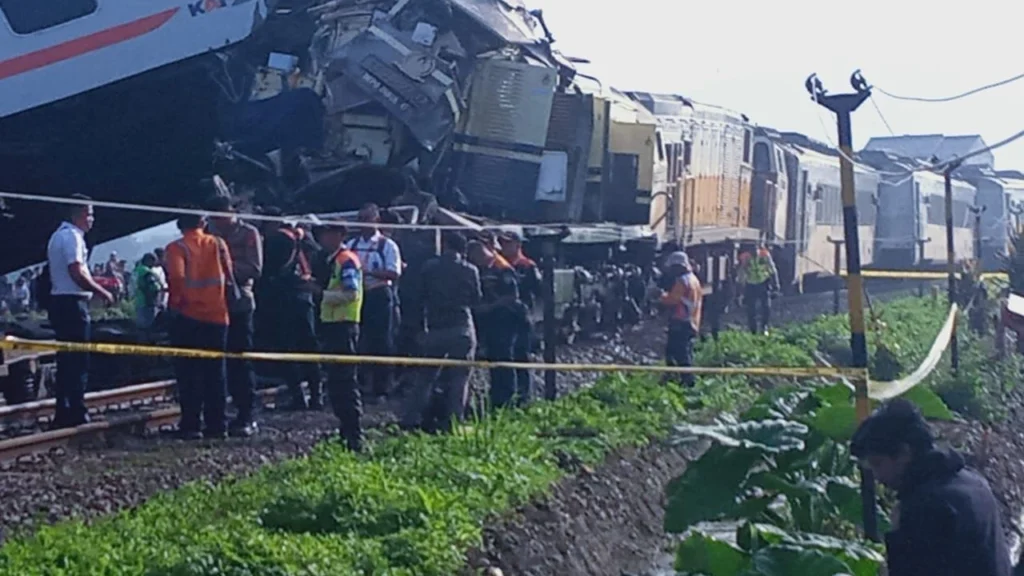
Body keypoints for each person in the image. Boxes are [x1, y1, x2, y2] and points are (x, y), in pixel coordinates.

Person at [851, 399, 1011, 576]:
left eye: (877, 464)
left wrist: (895, 540)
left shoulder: (926, 508)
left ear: (904, 453)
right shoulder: (972, 480)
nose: (876, 476)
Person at [45, 195, 114, 428]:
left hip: (59, 302)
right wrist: (101, 291)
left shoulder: (57, 236)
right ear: (78, 214)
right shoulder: (73, 237)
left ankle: (63, 410)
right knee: (78, 360)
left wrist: (100, 281)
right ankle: (76, 410)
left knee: (66, 360)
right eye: (89, 213)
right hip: (73, 304)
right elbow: (76, 272)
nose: (92, 219)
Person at [402, 231, 481, 432]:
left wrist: (419, 327)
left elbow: (417, 297)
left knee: (426, 376)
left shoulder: (429, 268)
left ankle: (412, 418)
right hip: (462, 326)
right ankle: (454, 422)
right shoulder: (470, 270)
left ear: (445, 246)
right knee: (460, 378)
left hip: (435, 327)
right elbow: (476, 299)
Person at [164, 211, 234, 440]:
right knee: (216, 374)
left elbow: (177, 279)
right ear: (203, 222)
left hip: (189, 318)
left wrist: (176, 307)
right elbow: (229, 276)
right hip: (218, 316)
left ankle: (191, 426)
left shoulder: (176, 248)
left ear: (179, 225)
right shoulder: (218, 243)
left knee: (189, 374)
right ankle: (218, 425)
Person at [206, 195, 264, 436]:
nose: (218, 220)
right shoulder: (207, 233)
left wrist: (225, 268)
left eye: (222, 214)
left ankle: (246, 414)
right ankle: (217, 416)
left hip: (239, 304)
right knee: (214, 363)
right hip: (211, 304)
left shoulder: (248, 233)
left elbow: (255, 268)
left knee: (240, 361)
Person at [260, 215, 324, 410]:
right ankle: (316, 395)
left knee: (287, 349)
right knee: (309, 347)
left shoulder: (275, 240)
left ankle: (298, 396)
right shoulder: (306, 241)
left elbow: (266, 271)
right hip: (305, 298)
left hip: (282, 299)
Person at [316, 223, 365, 452]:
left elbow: (351, 293)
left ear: (339, 235)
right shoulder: (332, 260)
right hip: (333, 325)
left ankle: (354, 434)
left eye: (327, 234)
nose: (323, 238)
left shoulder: (346, 260)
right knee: (336, 382)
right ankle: (345, 431)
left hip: (344, 326)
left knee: (345, 381)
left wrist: (321, 294)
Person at [345, 203, 403, 400]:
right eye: (360, 219)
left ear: (376, 220)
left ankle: (381, 388)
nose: (363, 223)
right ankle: (359, 383)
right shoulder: (351, 244)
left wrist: (368, 272)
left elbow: (394, 272)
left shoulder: (387, 245)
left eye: (367, 219)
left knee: (382, 340)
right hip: (355, 295)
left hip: (379, 294)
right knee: (358, 338)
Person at [467, 239, 520, 409]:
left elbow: (512, 296)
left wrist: (489, 307)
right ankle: (495, 397)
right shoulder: (481, 269)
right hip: (488, 321)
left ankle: (507, 399)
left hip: (504, 320)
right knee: (493, 360)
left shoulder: (502, 268)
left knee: (504, 360)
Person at [498, 230, 540, 404]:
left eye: (508, 243)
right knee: (503, 357)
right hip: (503, 317)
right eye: (503, 243)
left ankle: (525, 397)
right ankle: (505, 396)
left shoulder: (527, 266)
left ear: (518, 245)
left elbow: (538, 290)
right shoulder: (499, 265)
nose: (504, 246)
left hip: (521, 318)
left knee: (522, 356)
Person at [657, 251, 702, 387]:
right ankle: (677, 379)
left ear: (679, 267)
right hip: (692, 322)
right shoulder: (694, 279)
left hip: (681, 322)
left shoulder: (682, 281)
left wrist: (660, 296)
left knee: (676, 352)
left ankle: (686, 381)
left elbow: (672, 300)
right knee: (684, 351)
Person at [737, 242, 779, 335]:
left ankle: (764, 327)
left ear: (759, 248)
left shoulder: (765, 255)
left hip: (763, 283)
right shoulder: (745, 258)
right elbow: (741, 274)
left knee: (766, 307)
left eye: (756, 248)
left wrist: (776, 285)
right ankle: (753, 330)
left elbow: (772, 269)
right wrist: (740, 291)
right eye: (752, 249)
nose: (754, 251)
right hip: (751, 284)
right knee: (751, 309)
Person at [132, 253, 163, 329]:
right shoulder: (147, 272)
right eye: (153, 261)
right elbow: (154, 287)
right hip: (148, 302)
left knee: (140, 327)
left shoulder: (136, 270)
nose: (154, 264)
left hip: (139, 301)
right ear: (148, 260)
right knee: (150, 326)